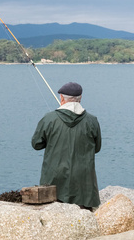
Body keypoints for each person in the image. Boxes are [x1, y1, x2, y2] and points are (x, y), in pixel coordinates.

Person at [31, 82, 102, 210]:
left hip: (54, 183)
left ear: (62, 99)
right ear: (80, 99)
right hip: (84, 189)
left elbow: (36, 144)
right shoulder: (92, 120)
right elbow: (97, 148)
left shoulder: (49, 118)